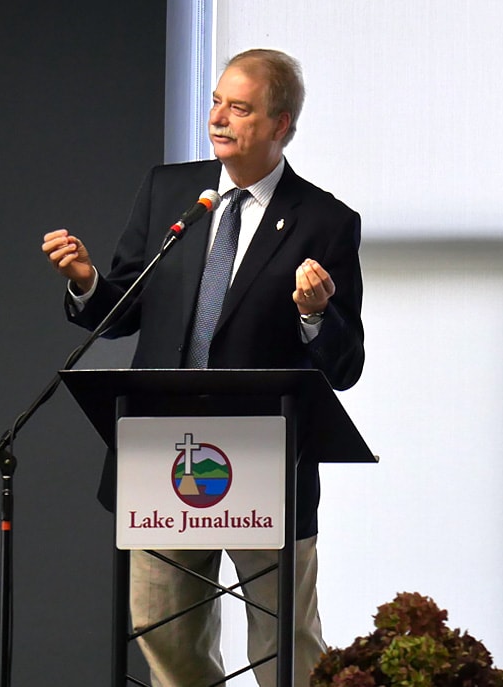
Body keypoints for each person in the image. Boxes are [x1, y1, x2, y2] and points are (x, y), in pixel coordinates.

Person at [42, 48, 364, 687]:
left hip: (267, 462)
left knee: (289, 646)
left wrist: (314, 316)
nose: (218, 117)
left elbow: (346, 364)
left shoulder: (325, 220)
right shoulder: (171, 189)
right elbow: (124, 309)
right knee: (167, 638)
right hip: (162, 454)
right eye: (216, 101)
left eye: (238, 107)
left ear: (280, 124)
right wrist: (86, 282)